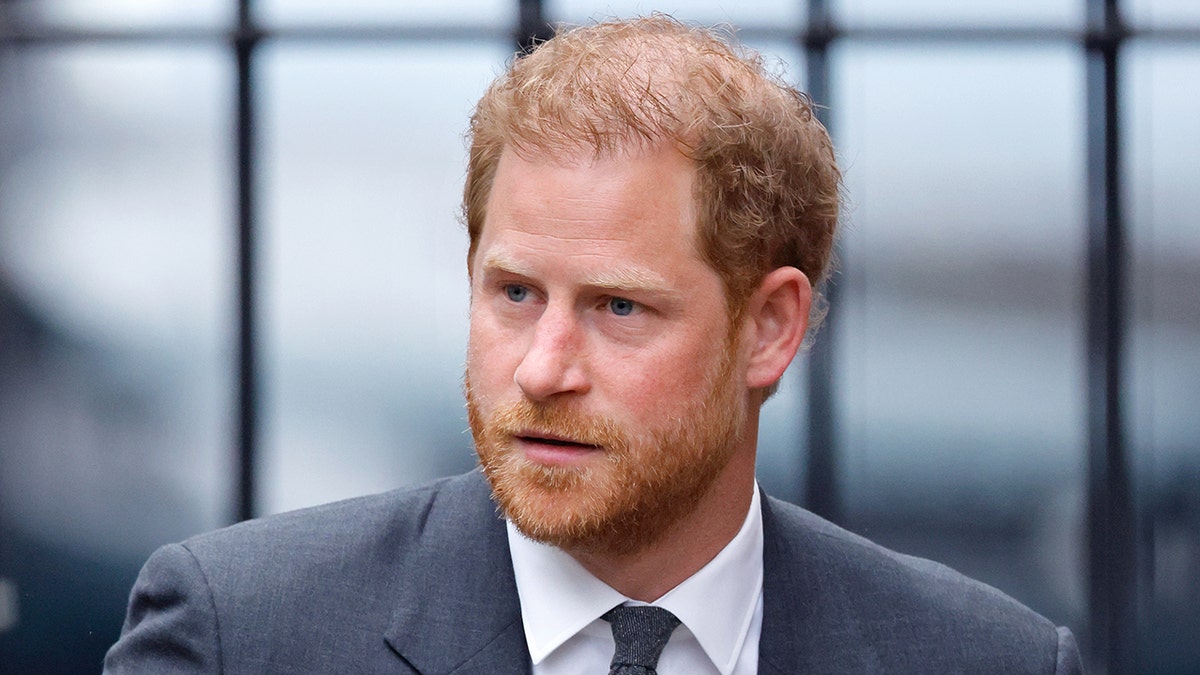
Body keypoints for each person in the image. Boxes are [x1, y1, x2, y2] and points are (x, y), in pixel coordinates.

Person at [105, 16, 1083, 674]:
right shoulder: (244, 635)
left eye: (619, 308)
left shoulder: (989, 658)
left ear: (770, 327)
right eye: (515, 293)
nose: (541, 368)